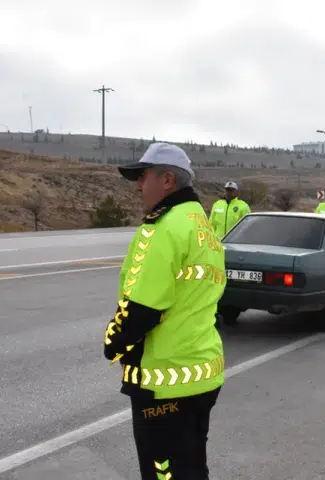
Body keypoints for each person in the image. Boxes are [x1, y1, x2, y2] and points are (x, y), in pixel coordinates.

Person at [104, 142, 226, 479]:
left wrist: (113, 342)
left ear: (168, 180)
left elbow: (143, 308)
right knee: (191, 467)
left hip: (165, 382)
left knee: (164, 473)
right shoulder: (203, 228)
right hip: (202, 373)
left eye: (143, 177)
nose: (139, 186)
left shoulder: (164, 228)